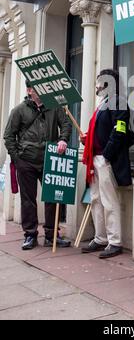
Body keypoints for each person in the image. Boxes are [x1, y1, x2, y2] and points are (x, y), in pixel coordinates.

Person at [3, 80, 72, 250]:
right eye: (37, 88)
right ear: (29, 90)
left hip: (50, 158)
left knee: (53, 198)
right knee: (28, 200)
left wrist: (63, 139)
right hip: (26, 160)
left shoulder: (54, 107)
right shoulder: (19, 110)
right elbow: (9, 136)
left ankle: (51, 235)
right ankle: (30, 235)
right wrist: (17, 158)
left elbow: (66, 124)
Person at [80, 69, 134, 258]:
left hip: (105, 159)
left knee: (109, 201)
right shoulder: (103, 104)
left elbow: (119, 131)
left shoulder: (118, 102)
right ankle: (100, 237)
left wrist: (106, 155)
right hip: (95, 158)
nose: (96, 85)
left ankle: (115, 241)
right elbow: (102, 132)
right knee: (96, 199)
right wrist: (86, 139)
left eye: (99, 82)